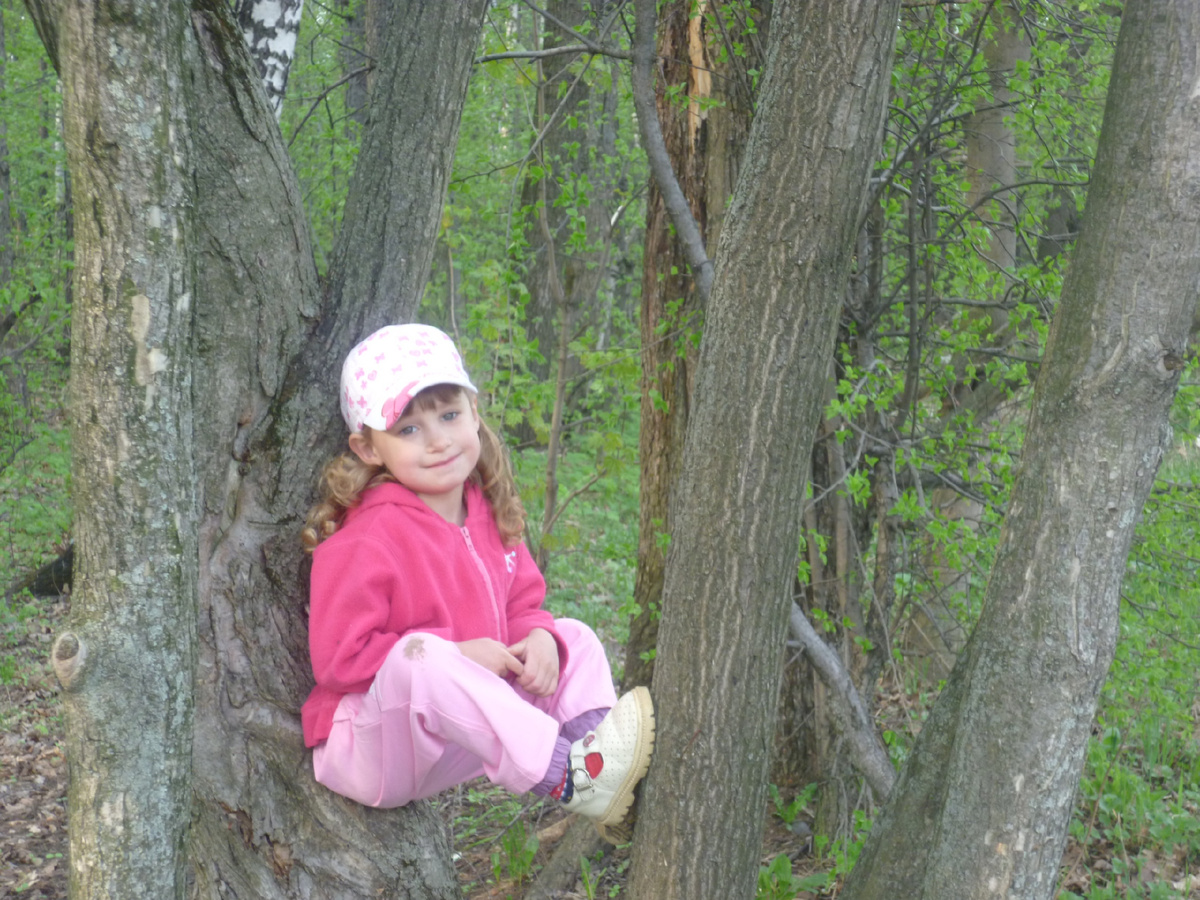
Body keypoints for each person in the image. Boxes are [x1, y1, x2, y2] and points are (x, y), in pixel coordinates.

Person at [300, 322, 654, 840]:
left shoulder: (483, 509)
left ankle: (597, 766)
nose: (439, 439)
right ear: (369, 448)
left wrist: (536, 634)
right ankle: (568, 777)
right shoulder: (368, 537)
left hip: (458, 739)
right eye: (409, 429)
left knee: (571, 636)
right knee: (418, 657)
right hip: (373, 750)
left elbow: (524, 599)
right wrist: (459, 654)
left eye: (449, 414)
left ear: (473, 412)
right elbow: (338, 660)